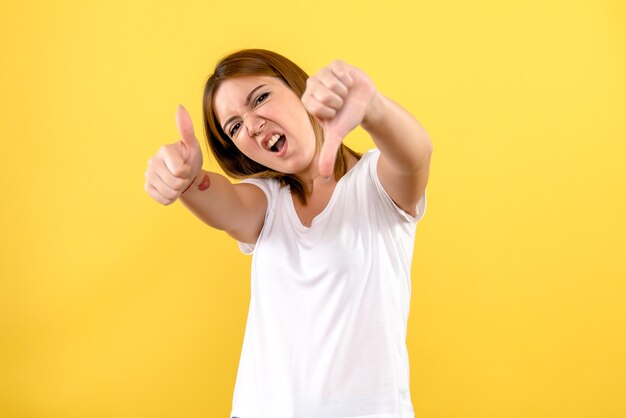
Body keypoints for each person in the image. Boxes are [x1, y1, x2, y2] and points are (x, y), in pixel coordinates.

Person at [144, 49, 433, 418]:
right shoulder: (267, 201)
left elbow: (416, 156)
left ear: (299, 89)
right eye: (234, 127)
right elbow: (225, 203)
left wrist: (373, 108)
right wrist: (184, 178)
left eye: (260, 98)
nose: (251, 125)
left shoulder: (376, 182)